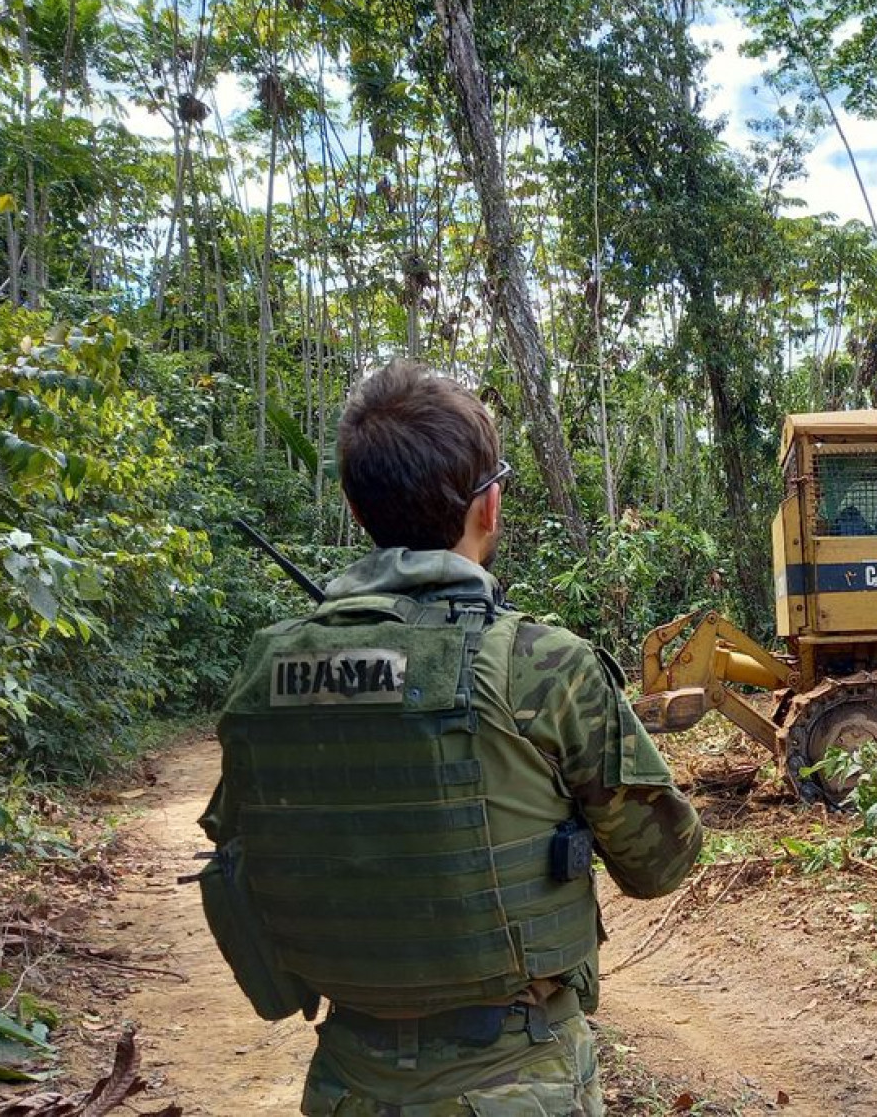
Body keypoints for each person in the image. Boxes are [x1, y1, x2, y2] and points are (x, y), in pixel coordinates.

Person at [201, 362, 702, 1116]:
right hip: (518, 1077)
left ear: (353, 505)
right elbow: (660, 862)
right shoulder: (541, 663)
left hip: (347, 1083)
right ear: (489, 504)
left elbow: (243, 855)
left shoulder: (267, 667)